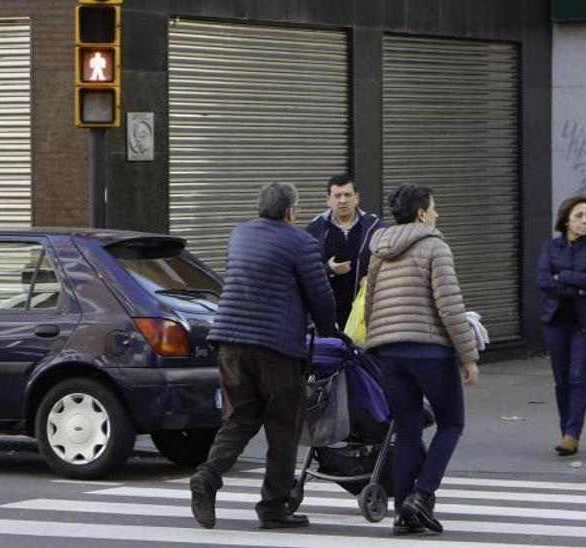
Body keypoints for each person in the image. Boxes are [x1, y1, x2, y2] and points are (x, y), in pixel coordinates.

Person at [189, 182, 344, 531]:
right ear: (291, 211)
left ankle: (208, 476)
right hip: (276, 348)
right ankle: (273, 506)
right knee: (283, 426)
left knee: (240, 419)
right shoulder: (302, 241)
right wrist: (331, 333)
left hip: (229, 343)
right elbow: (320, 296)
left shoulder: (239, 234)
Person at [364, 183, 478, 536]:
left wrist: (377, 341)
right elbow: (449, 305)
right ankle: (422, 494)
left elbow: (369, 304)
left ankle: (402, 513)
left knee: (407, 428)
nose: (437, 213)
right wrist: (467, 355)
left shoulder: (378, 249)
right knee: (451, 423)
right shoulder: (434, 246)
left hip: (389, 351)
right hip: (430, 351)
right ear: (421, 214)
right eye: (434, 207)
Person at [536, 196, 586, 457]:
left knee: (577, 377)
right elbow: (543, 280)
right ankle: (566, 429)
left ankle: (571, 435)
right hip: (555, 322)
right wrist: (577, 287)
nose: (585, 221)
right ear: (566, 219)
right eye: (579, 216)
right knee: (561, 380)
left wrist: (562, 277)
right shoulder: (551, 248)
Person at [306, 174, 386, 326]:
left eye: (347, 195)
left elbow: (389, 263)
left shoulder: (375, 227)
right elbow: (306, 272)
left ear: (357, 197)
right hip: (328, 317)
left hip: (365, 315)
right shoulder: (315, 229)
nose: (343, 200)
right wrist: (328, 269)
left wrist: (372, 278)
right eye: (337, 196)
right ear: (328, 200)